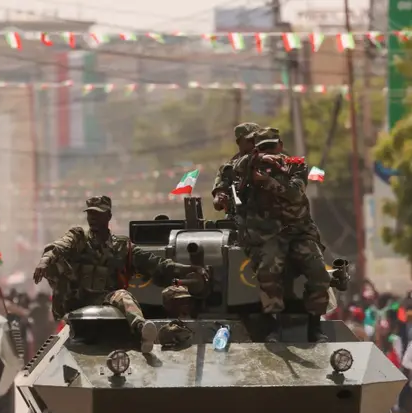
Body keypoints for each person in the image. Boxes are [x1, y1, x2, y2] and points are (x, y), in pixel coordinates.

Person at [32, 196, 207, 353]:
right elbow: (59, 246)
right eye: (90, 213)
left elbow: (157, 264)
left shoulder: (122, 247)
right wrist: (45, 260)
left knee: (123, 296)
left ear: (108, 216)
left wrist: (189, 268)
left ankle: (143, 330)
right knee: (57, 261)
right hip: (75, 296)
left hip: (105, 298)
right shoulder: (78, 238)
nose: (92, 218)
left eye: (98, 214)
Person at [231, 127, 331, 342]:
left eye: (272, 146)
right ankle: (272, 325)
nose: (271, 151)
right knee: (268, 271)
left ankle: (314, 324)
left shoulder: (295, 164)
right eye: (263, 147)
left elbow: (295, 193)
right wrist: (259, 160)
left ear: (281, 145)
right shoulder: (248, 165)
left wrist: (267, 181)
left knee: (319, 273)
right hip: (268, 234)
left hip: (299, 231)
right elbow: (235, 167)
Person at [211, 122, 261, 214]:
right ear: (239, 142)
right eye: (250, 140)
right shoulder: (228, 168)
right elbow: (217, 200)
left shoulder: (269, 161)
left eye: (257, 139)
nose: (255, 144)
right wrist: (220, 200)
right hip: (238, 221)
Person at [157, 284, 195, 349]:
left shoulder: (194, 323)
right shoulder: (157, 324)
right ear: (167, 303)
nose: (185, 304)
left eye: (186, 300)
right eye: (179, 300)